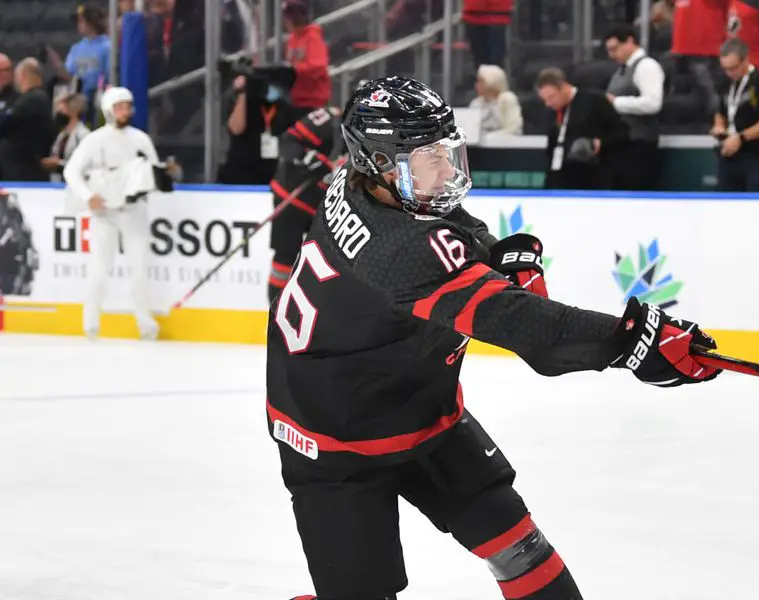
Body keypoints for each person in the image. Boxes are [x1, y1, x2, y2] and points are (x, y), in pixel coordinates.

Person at [268, 76, 722, 600]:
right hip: (333, 440)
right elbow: (528, 333)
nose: (445, 169)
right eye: (427, 158)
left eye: (446, 152)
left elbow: (450, 228)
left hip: (420, 407)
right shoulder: (398, 251)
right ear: (381, 163)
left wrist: (493, 252)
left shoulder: (364, 183)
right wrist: (633, 340)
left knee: (518, 547)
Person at [63, 87, 167, 341]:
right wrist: (89, 196)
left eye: (127, 106)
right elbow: (71, 172)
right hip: (104, 213)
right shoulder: (94, 140)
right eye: (119, 107)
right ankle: (91, 322)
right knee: (99, 267)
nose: (125, 112)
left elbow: (155, 171)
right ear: (109, 110)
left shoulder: (140, 139)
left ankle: (145, 322)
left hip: (133, 210)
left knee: (140, 267)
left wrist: (159, 177)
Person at [267, 104, 342, 302]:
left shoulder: (381, 138)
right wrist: (308, 158)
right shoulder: (327, 119)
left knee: (331, 262)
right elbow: (288, 142)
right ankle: (275, 313)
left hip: (328, 207)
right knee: (285, 256)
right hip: (292, 197)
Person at [536, 67, 629, 190]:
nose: (548, 103)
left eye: (551, 97)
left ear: (564, 87)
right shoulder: (553, 111)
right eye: (544, 100)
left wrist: (601, 143)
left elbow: (623, 131)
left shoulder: (594, 100)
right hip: (559, 177)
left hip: (592, 178)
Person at [712, 38, 759, 191]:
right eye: (726, 68)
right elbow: (720, 111)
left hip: (755, 156)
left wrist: (741, 137)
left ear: (746, 60)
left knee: (756, 205)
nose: (730, 73)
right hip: (728, 155)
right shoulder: (725, 82)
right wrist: (719, 127)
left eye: (734, 68)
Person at [604, 23, 666, 190]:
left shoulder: (647, 66)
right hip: (621, 145)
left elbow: (653, 103)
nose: (611, 55)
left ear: (630, 41)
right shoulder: (621, 69)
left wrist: (615, 103)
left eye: (614, 48)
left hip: (639, 147)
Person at [220, 67, 300, 185]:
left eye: (281, 88)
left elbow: (291, 143)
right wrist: (243, 93)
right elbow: (236, 128)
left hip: (269, 172)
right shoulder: (247, 102)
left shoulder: (284, 109)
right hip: (239, 170)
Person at [0, 59, 56, 182]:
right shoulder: (33, 99)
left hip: (23, 172)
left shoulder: (33, 99)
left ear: (23, 75)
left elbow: (5, 121)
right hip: (18, 169)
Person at [67, 3, 112, 125]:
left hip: (98, 102)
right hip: (79, 103)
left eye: (81, 20)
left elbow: (110, 76)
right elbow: (68, 74)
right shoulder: (76, 48)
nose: (79, 24)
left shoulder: (107, 46)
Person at [283, 0, 331, 110]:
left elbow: (318, 67)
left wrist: (293, 70)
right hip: (296, 99)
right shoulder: (292, 38)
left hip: (314, 100)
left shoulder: (312, 37)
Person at [42, 93, 92, 182]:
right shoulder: (61, 136)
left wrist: (59, 164)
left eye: (61, 110)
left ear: (74, 111)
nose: (58, 114)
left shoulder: (83, 135)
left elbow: (86, 165)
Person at [469, 65, 523, 136]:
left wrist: (489, 138)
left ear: (492, 81)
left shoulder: (508, 99)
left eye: (481, 81)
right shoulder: (476, 103)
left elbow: (515, 129)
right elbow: (470, 130)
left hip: (504, 145)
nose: (476, 85)